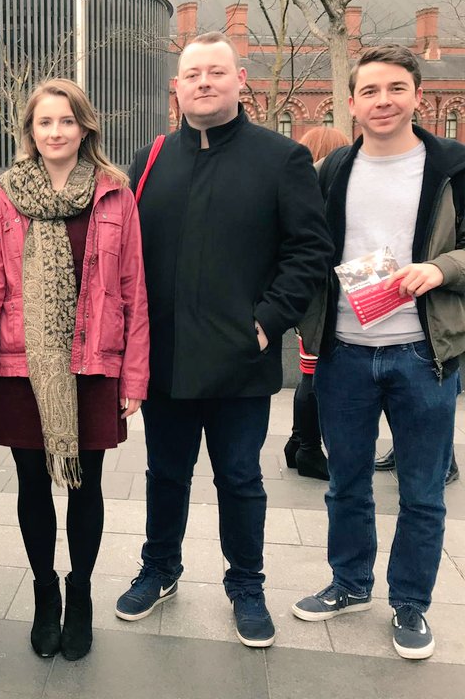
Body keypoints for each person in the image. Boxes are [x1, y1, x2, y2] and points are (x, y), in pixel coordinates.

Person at [114, 32, 332, 648]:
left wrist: (266, 322)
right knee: (165, 473)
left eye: (216, 71)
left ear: (241, 81)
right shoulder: (148, 160)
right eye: (193, 74)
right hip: (166, 360)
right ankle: (160, 568)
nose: (204, 82)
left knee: (239, 478)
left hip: (241, 358)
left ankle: (247, 585)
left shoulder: (281, 158)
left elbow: (309, 250)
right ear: (176, 88)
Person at [0, 79, 148, 661]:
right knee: (32, 484)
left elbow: (134, 290)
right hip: (22, 366)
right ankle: (44, 593)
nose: (56, 132)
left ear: (85, 127)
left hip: (94, 364)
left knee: (87, 485)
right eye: (44, 122)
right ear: (30, 132)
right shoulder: (4, 198)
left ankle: (79, 595)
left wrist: (134, 377)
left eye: (66, 121)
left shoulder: (115, 195)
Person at [292, 45, 465, 660]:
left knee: (422, 491)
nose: (383, 101)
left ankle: (411, 603)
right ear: (352, 102)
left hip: (423, 355)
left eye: (395, 88)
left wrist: (442, 268)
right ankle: (349, 582)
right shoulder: (331, 170)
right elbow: (302, 245)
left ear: (417, 95)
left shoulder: (454, 166)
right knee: (346, 483)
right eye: (370, 91)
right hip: (343, 353)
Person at [283, 126, 352, 481]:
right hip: (328, 293)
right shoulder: (333, 184)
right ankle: (308, 447)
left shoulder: (301, 183)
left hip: (306, 292)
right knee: (313, 373)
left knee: (308, 369)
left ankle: (299, 442)